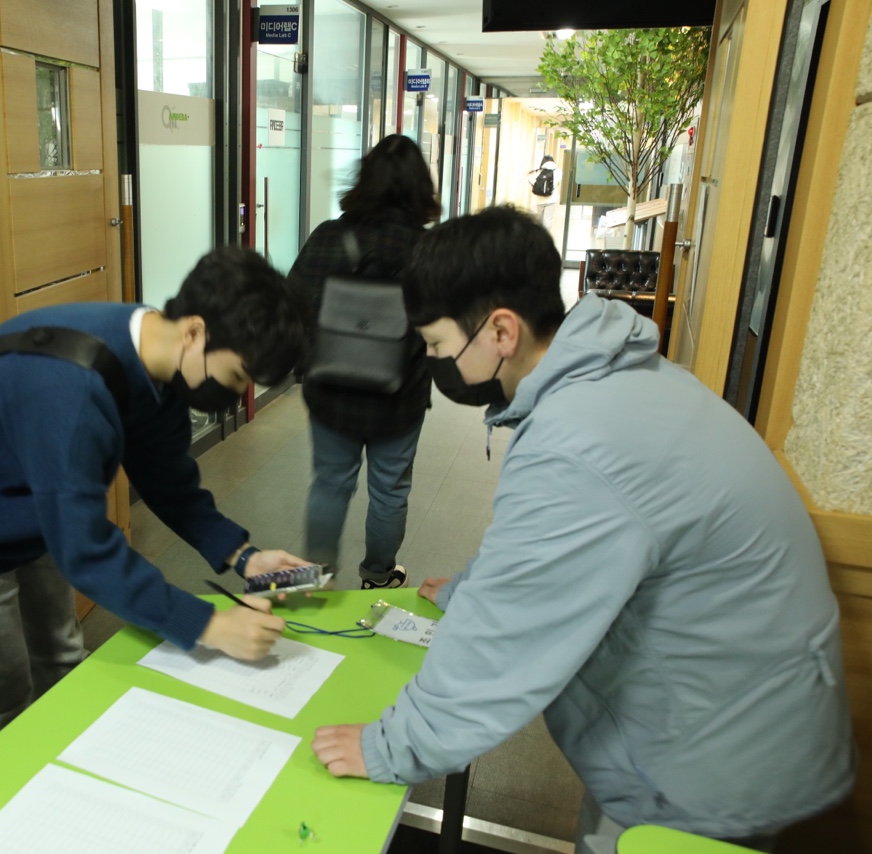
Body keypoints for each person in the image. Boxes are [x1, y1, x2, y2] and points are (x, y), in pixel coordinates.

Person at [311, 206, 855, 852]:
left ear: (501, 330)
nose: (430, 359)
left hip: (711, 764)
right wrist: (469, 588)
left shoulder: (578, 443)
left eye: (435, 343)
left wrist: (388, 746)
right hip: (738, 715)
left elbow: (506, 635)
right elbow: (552, 549)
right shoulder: (616, 376)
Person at [0, 246, 311, 765]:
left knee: (61, 660)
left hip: (37, 502)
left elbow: (169, 481)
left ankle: (63, 780)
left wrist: (244, 556)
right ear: (194, 331)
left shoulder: (157, 357)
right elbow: (87, 552)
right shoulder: (73, 388)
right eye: (235, 377)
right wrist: (208, 625)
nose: (237, 393)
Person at [285, 134, 436, 590]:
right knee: (390, 490)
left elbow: (294, 302)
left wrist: (308, 361)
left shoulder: (329, 237)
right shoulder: (429, 250)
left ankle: (316, 580)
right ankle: (377, 574)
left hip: (332, 391)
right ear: (420, 187)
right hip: (400, 396)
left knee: (330, 482)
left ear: (364, 179)